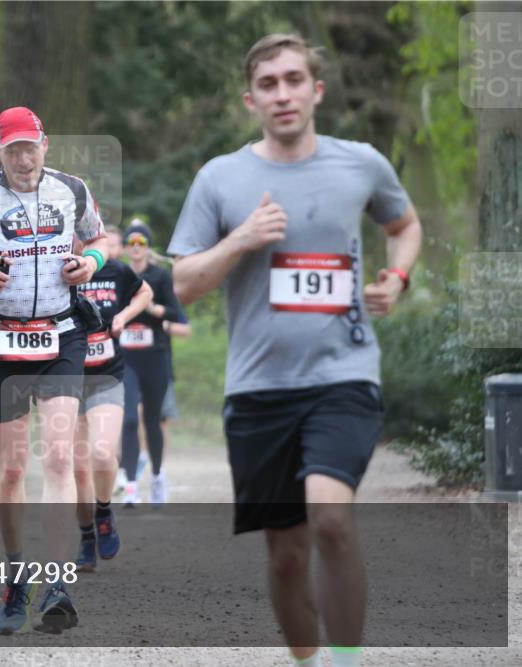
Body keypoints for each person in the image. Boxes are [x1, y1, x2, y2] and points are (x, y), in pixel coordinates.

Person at [168, 34, 422, 667]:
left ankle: (346, 660)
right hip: (258, 389)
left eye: (292, 80)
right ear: (249, 98)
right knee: (285, 555)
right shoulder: (221, 178)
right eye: (268, 84)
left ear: (317, 89)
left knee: (331, 521)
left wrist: (397, 278)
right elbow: (182, 285)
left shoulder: (360, 163)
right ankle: (308, 659)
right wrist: (241, 240)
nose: (282, 93)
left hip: (345, 374)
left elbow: (403, 225)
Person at [0, 106, 110, 634]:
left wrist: (89, 264)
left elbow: (99, 240)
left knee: (61, 456)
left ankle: (57, 583)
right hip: (0, 339)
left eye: (32, 146)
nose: (24, 158)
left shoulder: (72, 190)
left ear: (45, 146)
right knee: (13, 468)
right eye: (14, 149)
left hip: (63, 334)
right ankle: (16, 572)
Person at [72, 226, 152, 571]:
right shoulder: (52, 271)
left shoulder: (115, 270)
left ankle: (104, 510)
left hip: (107, 374)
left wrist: (122, 316)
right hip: (65, 380)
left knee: (103, 454)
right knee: (77, 470)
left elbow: (144, 293)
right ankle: (86, 536)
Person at [119, 221, 183, 509]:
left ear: (147, 247)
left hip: (155, 356)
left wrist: (152, 308)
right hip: (126, 358)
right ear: (125, 247)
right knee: (129, 419)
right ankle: (131, 484)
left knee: (153, 421)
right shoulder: (118, 275)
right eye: (131, 242)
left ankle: (157, 476)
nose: (135, 247)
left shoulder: (160, 276)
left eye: (141, 242)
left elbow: (176, 313)